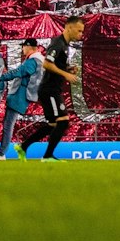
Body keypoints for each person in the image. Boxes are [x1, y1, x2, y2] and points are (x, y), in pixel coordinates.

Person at [23, 14, 84, 160]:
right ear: (69, 27)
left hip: (52, 89)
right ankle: (47, 156)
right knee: (63, 121)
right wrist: (66, 74)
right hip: (49, 89)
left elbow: (55, 65)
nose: (81, 34)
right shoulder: (58, 43)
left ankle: (23, 146)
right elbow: (47, 64)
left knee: (52, 124)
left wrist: (68, 68)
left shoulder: (65, 45)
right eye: (79, 31)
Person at [0, 40, 43, 159]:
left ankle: (1, 153)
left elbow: (17, 72)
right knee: (8, 123)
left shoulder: (33, 61)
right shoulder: (39, 60)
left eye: (23, 47)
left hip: (19, 95)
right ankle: (2, 152)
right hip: (22, 94)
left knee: (8, 124)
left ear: (29, 47)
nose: (22, 50)